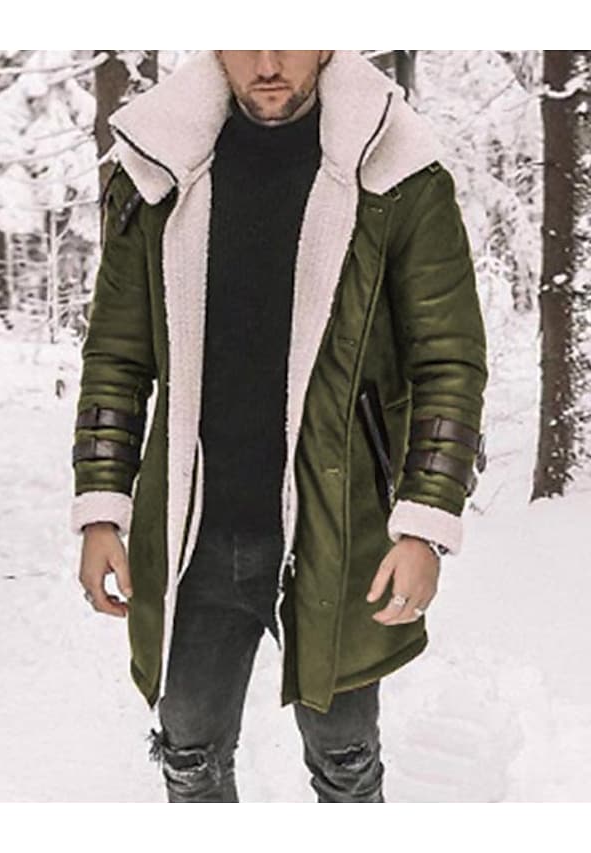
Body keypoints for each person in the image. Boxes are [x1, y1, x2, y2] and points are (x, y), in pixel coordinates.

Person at [71, 50, 488, 803]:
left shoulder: (395, 171)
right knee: (188, 751)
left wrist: (424, 525)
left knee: (344, 759)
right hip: (197, 533)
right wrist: (102, 507)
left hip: (340, 529)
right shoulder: (159, 169)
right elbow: (117, 356)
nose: (267, 63)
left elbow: (448, 364)